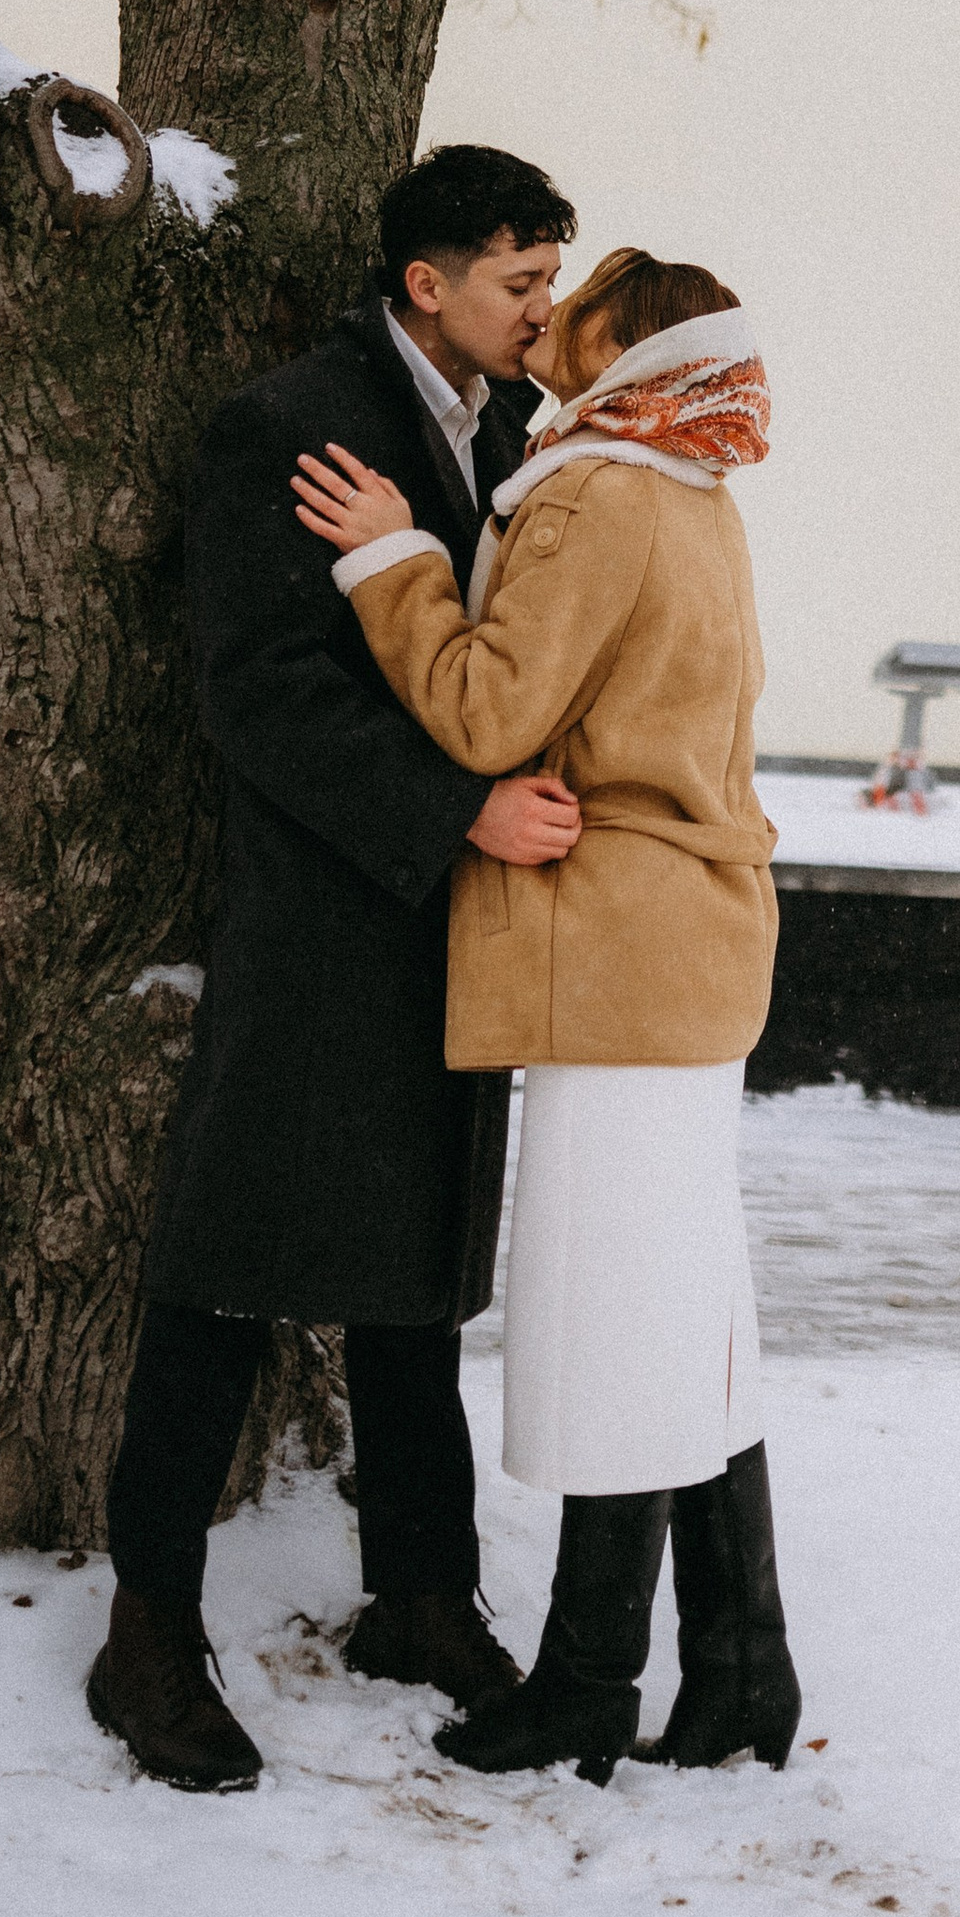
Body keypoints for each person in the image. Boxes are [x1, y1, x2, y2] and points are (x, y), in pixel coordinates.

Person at [87, 145, 579, 1796]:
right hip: (320, 923)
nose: (547, 309)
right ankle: (145, 1628)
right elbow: (263, 691)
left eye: (554, 276)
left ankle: (421, 1599)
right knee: (225, 1274)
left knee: (415, 1288)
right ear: (427, 283)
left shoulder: (518, 437)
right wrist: (458, 814)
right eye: (522, 280)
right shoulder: (290, 423)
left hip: (462, 927)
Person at [291, 243, 798, 1788]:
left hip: (612, 957)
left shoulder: (594, 491)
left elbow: (488, 712)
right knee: (691, 1317)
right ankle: (741, 1668)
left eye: (570, 312)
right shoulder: (701, 493)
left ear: (623, 350)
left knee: (610, 1323)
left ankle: (591, 1682)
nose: (543, 326)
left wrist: (392, 560)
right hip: (695, 951)